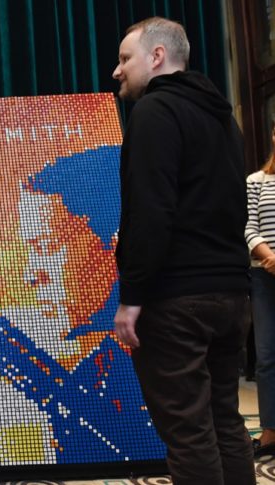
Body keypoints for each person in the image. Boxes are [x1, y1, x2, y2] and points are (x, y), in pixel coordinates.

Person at [112, 17, 254, 484]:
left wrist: (132, 297)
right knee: (225, 420)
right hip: (231, 295)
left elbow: (150, 212)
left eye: (125, 58)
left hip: (177, 300)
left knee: (190, 433)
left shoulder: (154, 112)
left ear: (157, 57)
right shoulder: (224, 119)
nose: (117, 70)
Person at [245, 120, 275, 458]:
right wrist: (270, 258)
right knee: (267, 357)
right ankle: (270, 431)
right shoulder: (256, 181)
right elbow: (248, 226)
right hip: (264, 276)